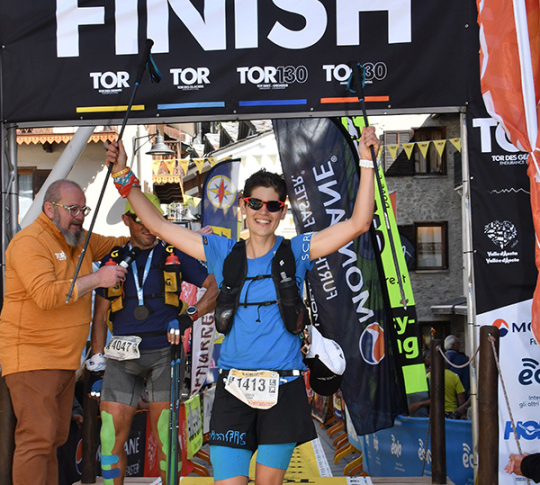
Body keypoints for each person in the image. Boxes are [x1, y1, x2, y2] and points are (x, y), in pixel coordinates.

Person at [105, 125, 380, 485]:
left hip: (283, 387)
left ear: (282, 212)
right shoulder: (221, 251)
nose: (262, 212)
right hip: (233, 388)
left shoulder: (297, 250)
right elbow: (156, 223)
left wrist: (366, 161)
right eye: (255, 203)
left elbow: (359, 223)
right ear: (242, 206)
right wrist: (122, 175)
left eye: (273, 206)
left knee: (268, 483)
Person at [0, 179, 129, 485]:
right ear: (49, 209)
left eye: (83, 209)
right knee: (36, 440)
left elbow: (119, 244)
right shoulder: (29, 242)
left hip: (66, 362)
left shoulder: (76, 238)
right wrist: (98, 278)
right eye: (72, 209)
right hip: (32, 359)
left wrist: (153, 228)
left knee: (54, 439)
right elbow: (45, 295)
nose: (80, 215)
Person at [87, 194, 218, 484]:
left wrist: (189, 317)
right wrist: (97, 367)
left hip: (164, 353)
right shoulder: (115, 259)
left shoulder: (175, 252)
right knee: (109, 437)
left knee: (166, 437)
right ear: (127, 221)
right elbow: (99, 318)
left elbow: (214, 287)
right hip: (121, 357)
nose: (147, 226)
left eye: (151, 220)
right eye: (140, 220)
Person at [444, 334, 470, 399]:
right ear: (453, 345)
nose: (460, 345)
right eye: (458, 343)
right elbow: (464, 379)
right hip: (458, 396)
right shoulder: (461, 359)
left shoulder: (442, 357)